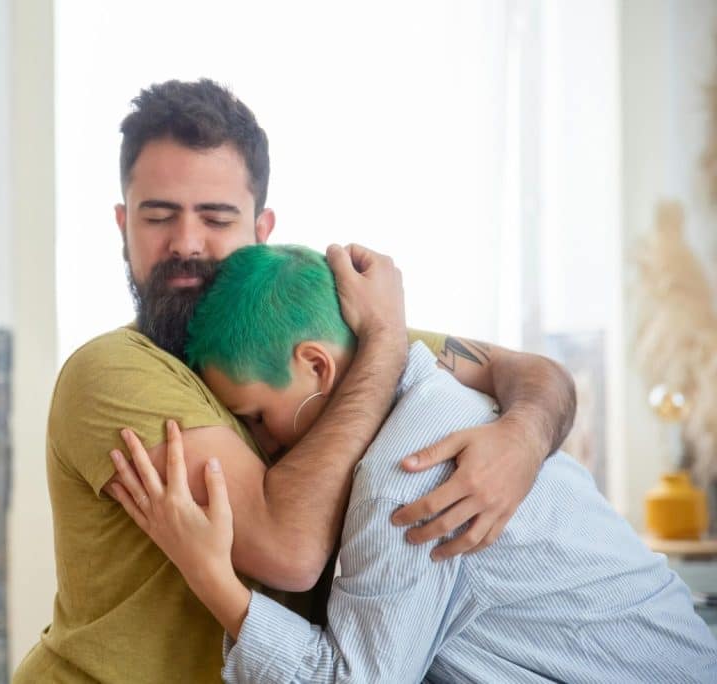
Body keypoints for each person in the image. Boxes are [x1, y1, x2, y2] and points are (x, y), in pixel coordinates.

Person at [13, 79, 577, 683]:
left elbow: (534, 373)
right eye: (158, 216)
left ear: (261, 228)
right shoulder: (111, 370)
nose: (186, 242)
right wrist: (384, 343)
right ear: (123, 224)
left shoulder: (298, 340)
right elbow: (290, 550)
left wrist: (522, 437)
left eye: (215, 216)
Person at [109, 243, 717, 683]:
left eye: (258, 417)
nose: (258, 446)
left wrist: (209, 574)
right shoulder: (435, 389)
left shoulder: (406, 470)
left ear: (317, 366)